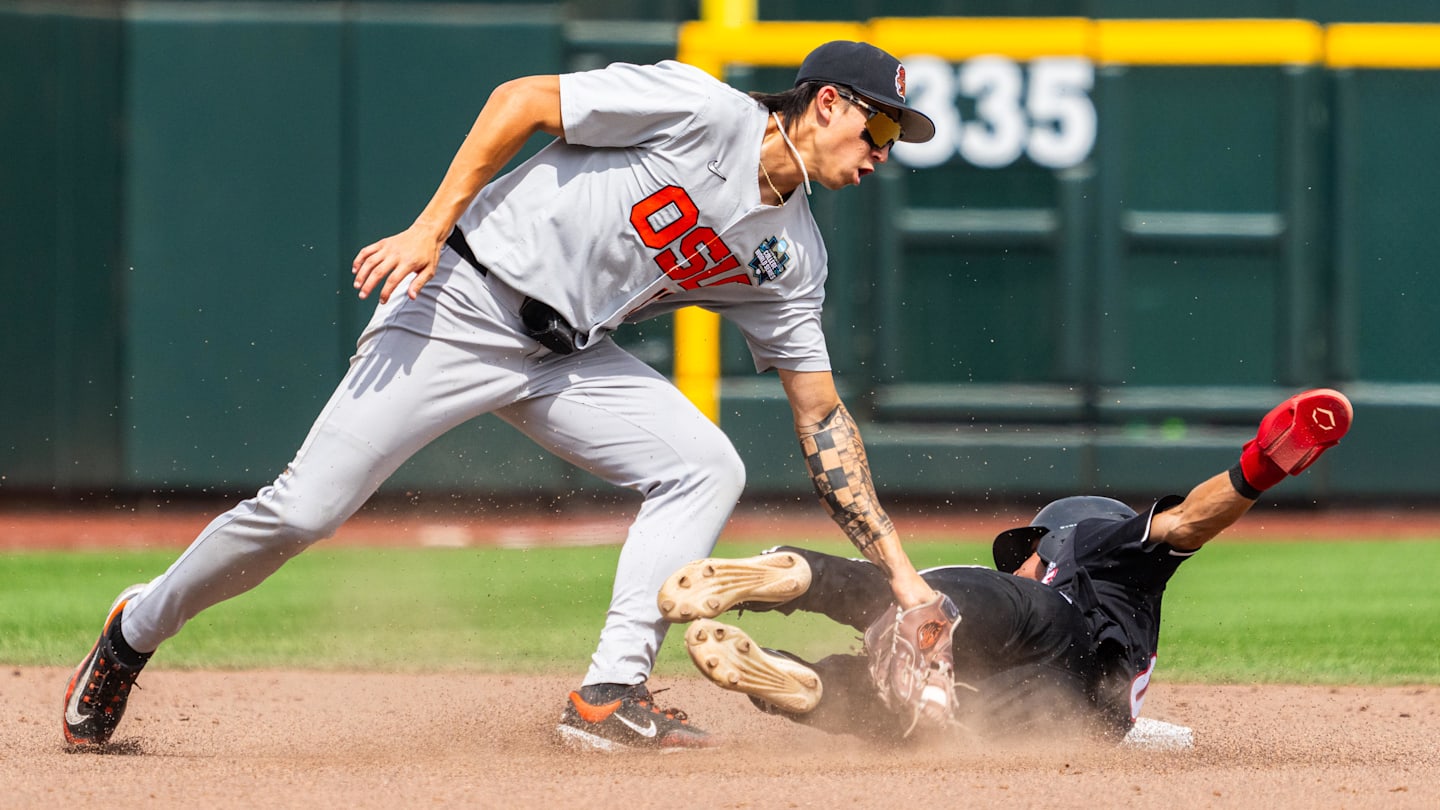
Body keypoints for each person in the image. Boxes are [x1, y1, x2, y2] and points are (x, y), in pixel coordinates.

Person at [62, 41, 954, 753]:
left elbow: (820, 416)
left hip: (567, 355)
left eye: (893, 144)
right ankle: (133, 631)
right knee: (304, 511)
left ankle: (608, 696)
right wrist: (429, 225)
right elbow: (520, 100)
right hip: (460, 302)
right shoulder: (700, 109)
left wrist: (903, 579)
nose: (882, 155)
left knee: (703, 466)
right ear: (827, 103)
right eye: (878, 132)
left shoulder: (793, 258)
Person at [658, 388, 1354, 742]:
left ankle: (796, 575)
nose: (1022, 556)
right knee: (905, 724)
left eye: (1026, 548)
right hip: (1055, 716)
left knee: (917, 597)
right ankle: (802, 683)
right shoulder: (1121, 637)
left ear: (1052, 538)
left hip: (1047, 633)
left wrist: (1262, 465)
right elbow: (1144, 736)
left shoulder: (1092, 547)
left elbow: (1189, 520)